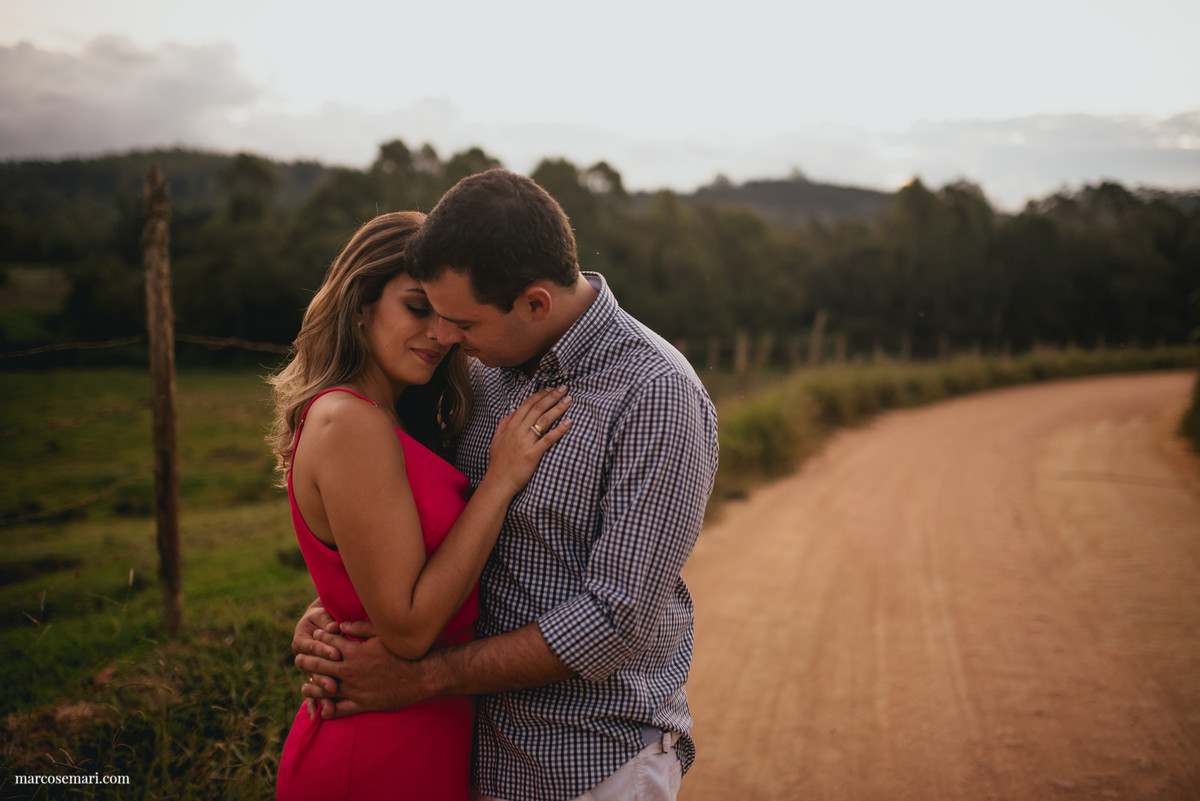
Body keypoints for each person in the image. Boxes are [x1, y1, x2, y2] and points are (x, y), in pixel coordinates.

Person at [293, 171, 720, 801]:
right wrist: (340, 613)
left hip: (590, 762)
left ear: (535, 303)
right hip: (477, 760)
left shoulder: (656, 395)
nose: (446, 337)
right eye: (432, 314)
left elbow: (615, 619)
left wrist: (424, 676)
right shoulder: (485, 373)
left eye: (461, 322)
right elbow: (414, 534)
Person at [267, 210, 573, 801]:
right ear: (360, 304)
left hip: (428, 733)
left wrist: (329, 602)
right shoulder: (349, 421)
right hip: (378, 746)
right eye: (416, 307)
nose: (440, 333)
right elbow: (407, 630)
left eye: (449, 315)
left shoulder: (390, 418)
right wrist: (500, 480)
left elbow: (386, 562)